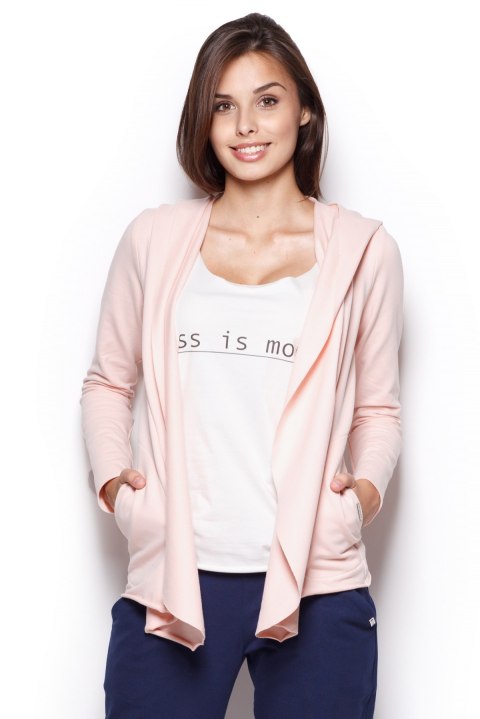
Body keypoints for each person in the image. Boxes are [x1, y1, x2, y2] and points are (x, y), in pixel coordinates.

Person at [80, 12, 404, 719]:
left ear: (304, 110)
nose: (245, 126)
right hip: (175, 574)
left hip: (318, 580)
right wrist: (117, 489)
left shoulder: (364, 250)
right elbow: (108, 381)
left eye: (267, 100)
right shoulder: (153, 239)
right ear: (203, 120)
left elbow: (378, 407)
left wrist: (361, 499)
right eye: (223, 105)